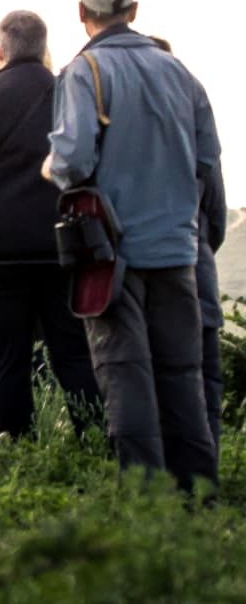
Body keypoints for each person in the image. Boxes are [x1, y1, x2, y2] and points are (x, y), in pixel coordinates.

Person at [44, 0, 220, 492]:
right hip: (176, 251)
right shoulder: (181, 73)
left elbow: (72, 162)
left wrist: (50, 167)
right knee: (183, 381)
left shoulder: (85, 73)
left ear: (81, 14)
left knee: (127, 379)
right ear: (134, 10)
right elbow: (207, 164)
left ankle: (146, 506)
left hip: (111, 257)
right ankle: (197, 498)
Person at [0, 11, 101, 439]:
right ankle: (97, 441)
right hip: (59, 243)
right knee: (73, 353)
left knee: (3, 358)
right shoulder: (69, 91)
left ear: (0, 51)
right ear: (44, 47)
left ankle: (12, 447)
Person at [147, 36, 227, 456]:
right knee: (203, 379)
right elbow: (215, 214)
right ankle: (204, 471)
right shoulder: (193, 117)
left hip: (146, 275)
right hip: (196, 265)